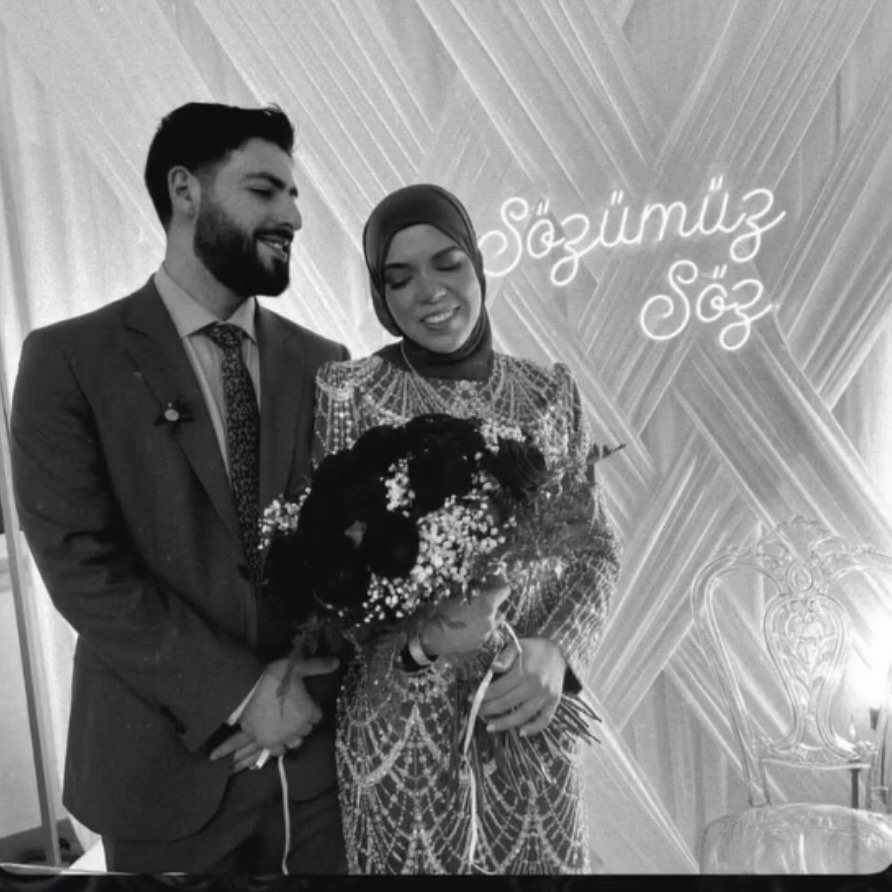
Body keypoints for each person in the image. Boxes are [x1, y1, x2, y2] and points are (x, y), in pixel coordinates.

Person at [10, 102, 350, 874]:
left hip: (315, 770)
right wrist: (241, 695)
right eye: (264, 190)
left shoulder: (325, 362)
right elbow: (80, 563)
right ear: (185, 190)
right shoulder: (69, 361)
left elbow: (351, 552)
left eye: (295, 196)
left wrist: (304, 686)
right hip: (161, 774)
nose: (293, 216)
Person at [312, 183, 620, 873]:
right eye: (400, 278)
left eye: (447, 263)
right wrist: (421, 642)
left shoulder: (548, 394)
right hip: (405, 738)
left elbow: (595, 549)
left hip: (529, 721)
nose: (429, 292)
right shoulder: (349, 394)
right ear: (380, 294)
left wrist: (557, 650)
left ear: (477, 265)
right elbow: (332, 575)